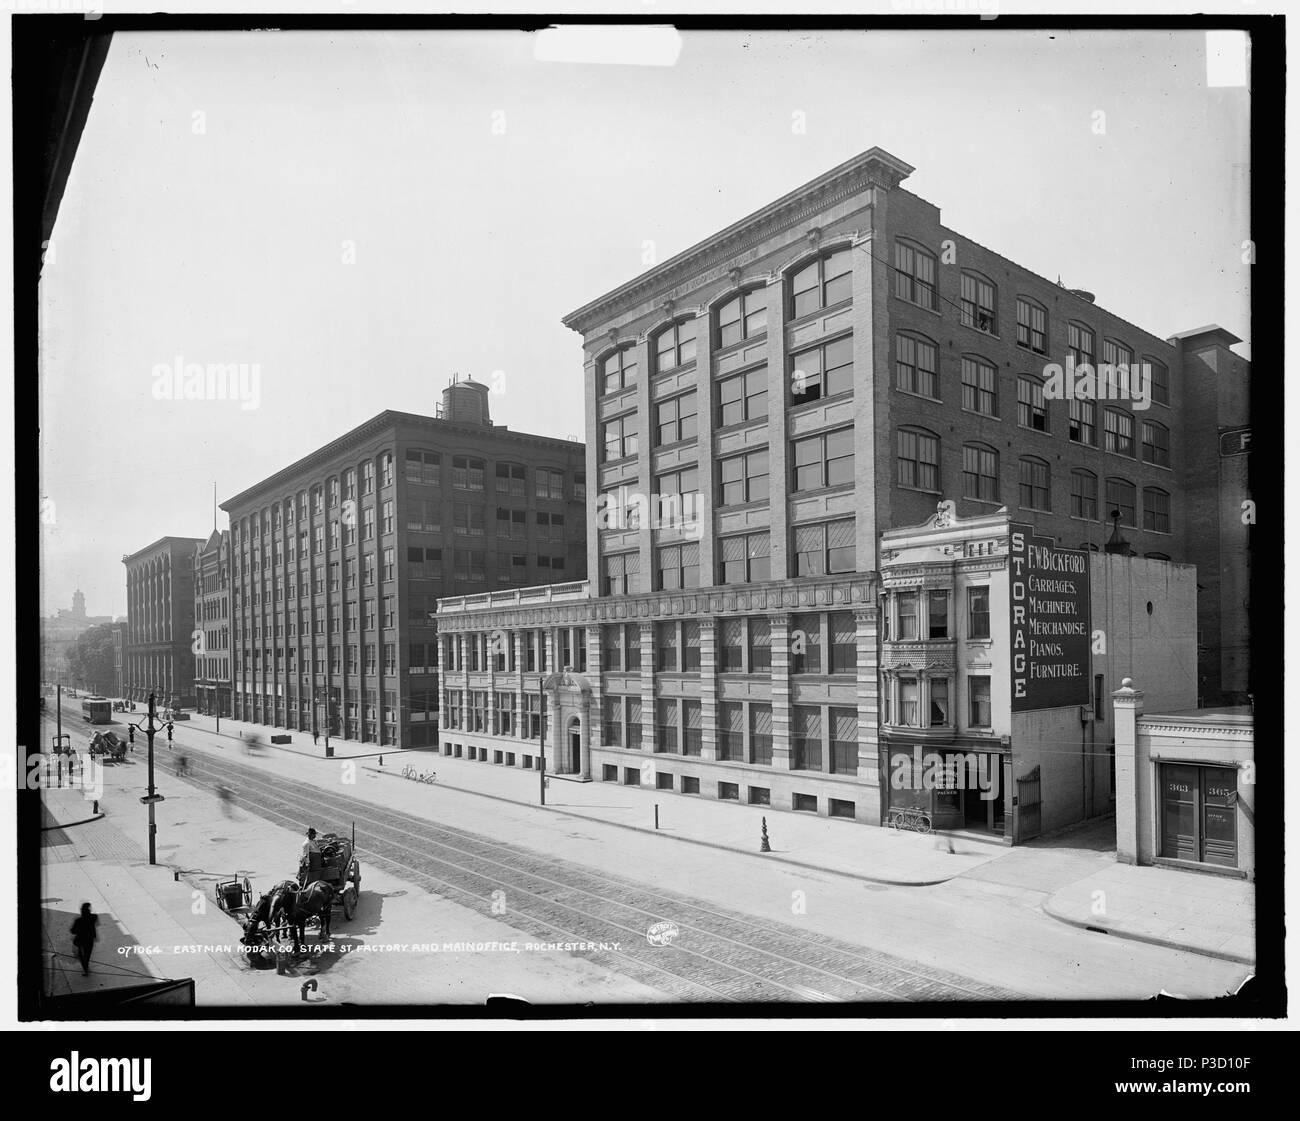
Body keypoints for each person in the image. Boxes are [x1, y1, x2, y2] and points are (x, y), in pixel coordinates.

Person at [70, 903, 98, 976]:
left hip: (80, 940)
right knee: (87, 955)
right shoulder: (94, 917)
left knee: (80, 955)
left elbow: (73, 931)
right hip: (90, 940)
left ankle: (85, 968)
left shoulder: (78, 921)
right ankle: (86, 968)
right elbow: (95, 923)